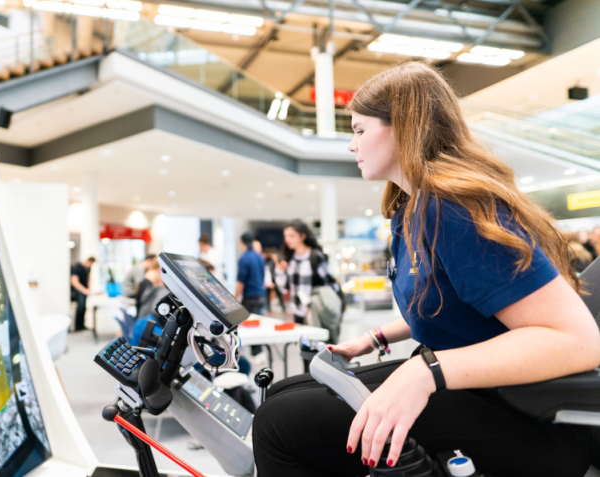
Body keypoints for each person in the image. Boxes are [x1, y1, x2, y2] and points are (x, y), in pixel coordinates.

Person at [253, 62, 600, 477]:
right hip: (479, 388)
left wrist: (426, 371)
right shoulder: (412, 210)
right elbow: (452, 300)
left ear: (403, 125)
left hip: (524, 415)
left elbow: (579, 341)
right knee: (281, 392)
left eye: (359, 130)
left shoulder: (454, 210)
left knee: (278, 424)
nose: (351, 144)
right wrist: (377, 337)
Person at [275, 220, 333, 325]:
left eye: (291, 236)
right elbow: (283, 288)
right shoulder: (289, 258)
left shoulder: (316, 256)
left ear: (302, 236)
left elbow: (328, 284)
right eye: (286, 236)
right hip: (297, 311)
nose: (287, 239)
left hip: (315, 310)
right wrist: (279, 271)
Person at [236, 231, 266, 315]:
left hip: (250, 297)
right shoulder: (260, 257)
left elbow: (240, 281)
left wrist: (235, 297)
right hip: (261, 295)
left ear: (241, 242)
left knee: (250, 325)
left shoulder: (244, 258)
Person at [70, 256, 95, 332]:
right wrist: (83, 290)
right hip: (79, 290)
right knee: (80, 307)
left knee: (84, 307)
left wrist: (89, 288)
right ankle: (77, 326)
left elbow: (88, 278)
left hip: (84, 290)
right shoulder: (77, 267)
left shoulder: (88, 268)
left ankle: (82, 325)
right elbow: (74, 281)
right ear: (87, 261)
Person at [263, 247, 286, 313]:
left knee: (279, 294)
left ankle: (283, 307)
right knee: (268, 294)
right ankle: (268, 307)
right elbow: (270, 273)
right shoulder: (270, 263)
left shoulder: (280, 262)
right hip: (272, 281)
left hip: (278, 282)